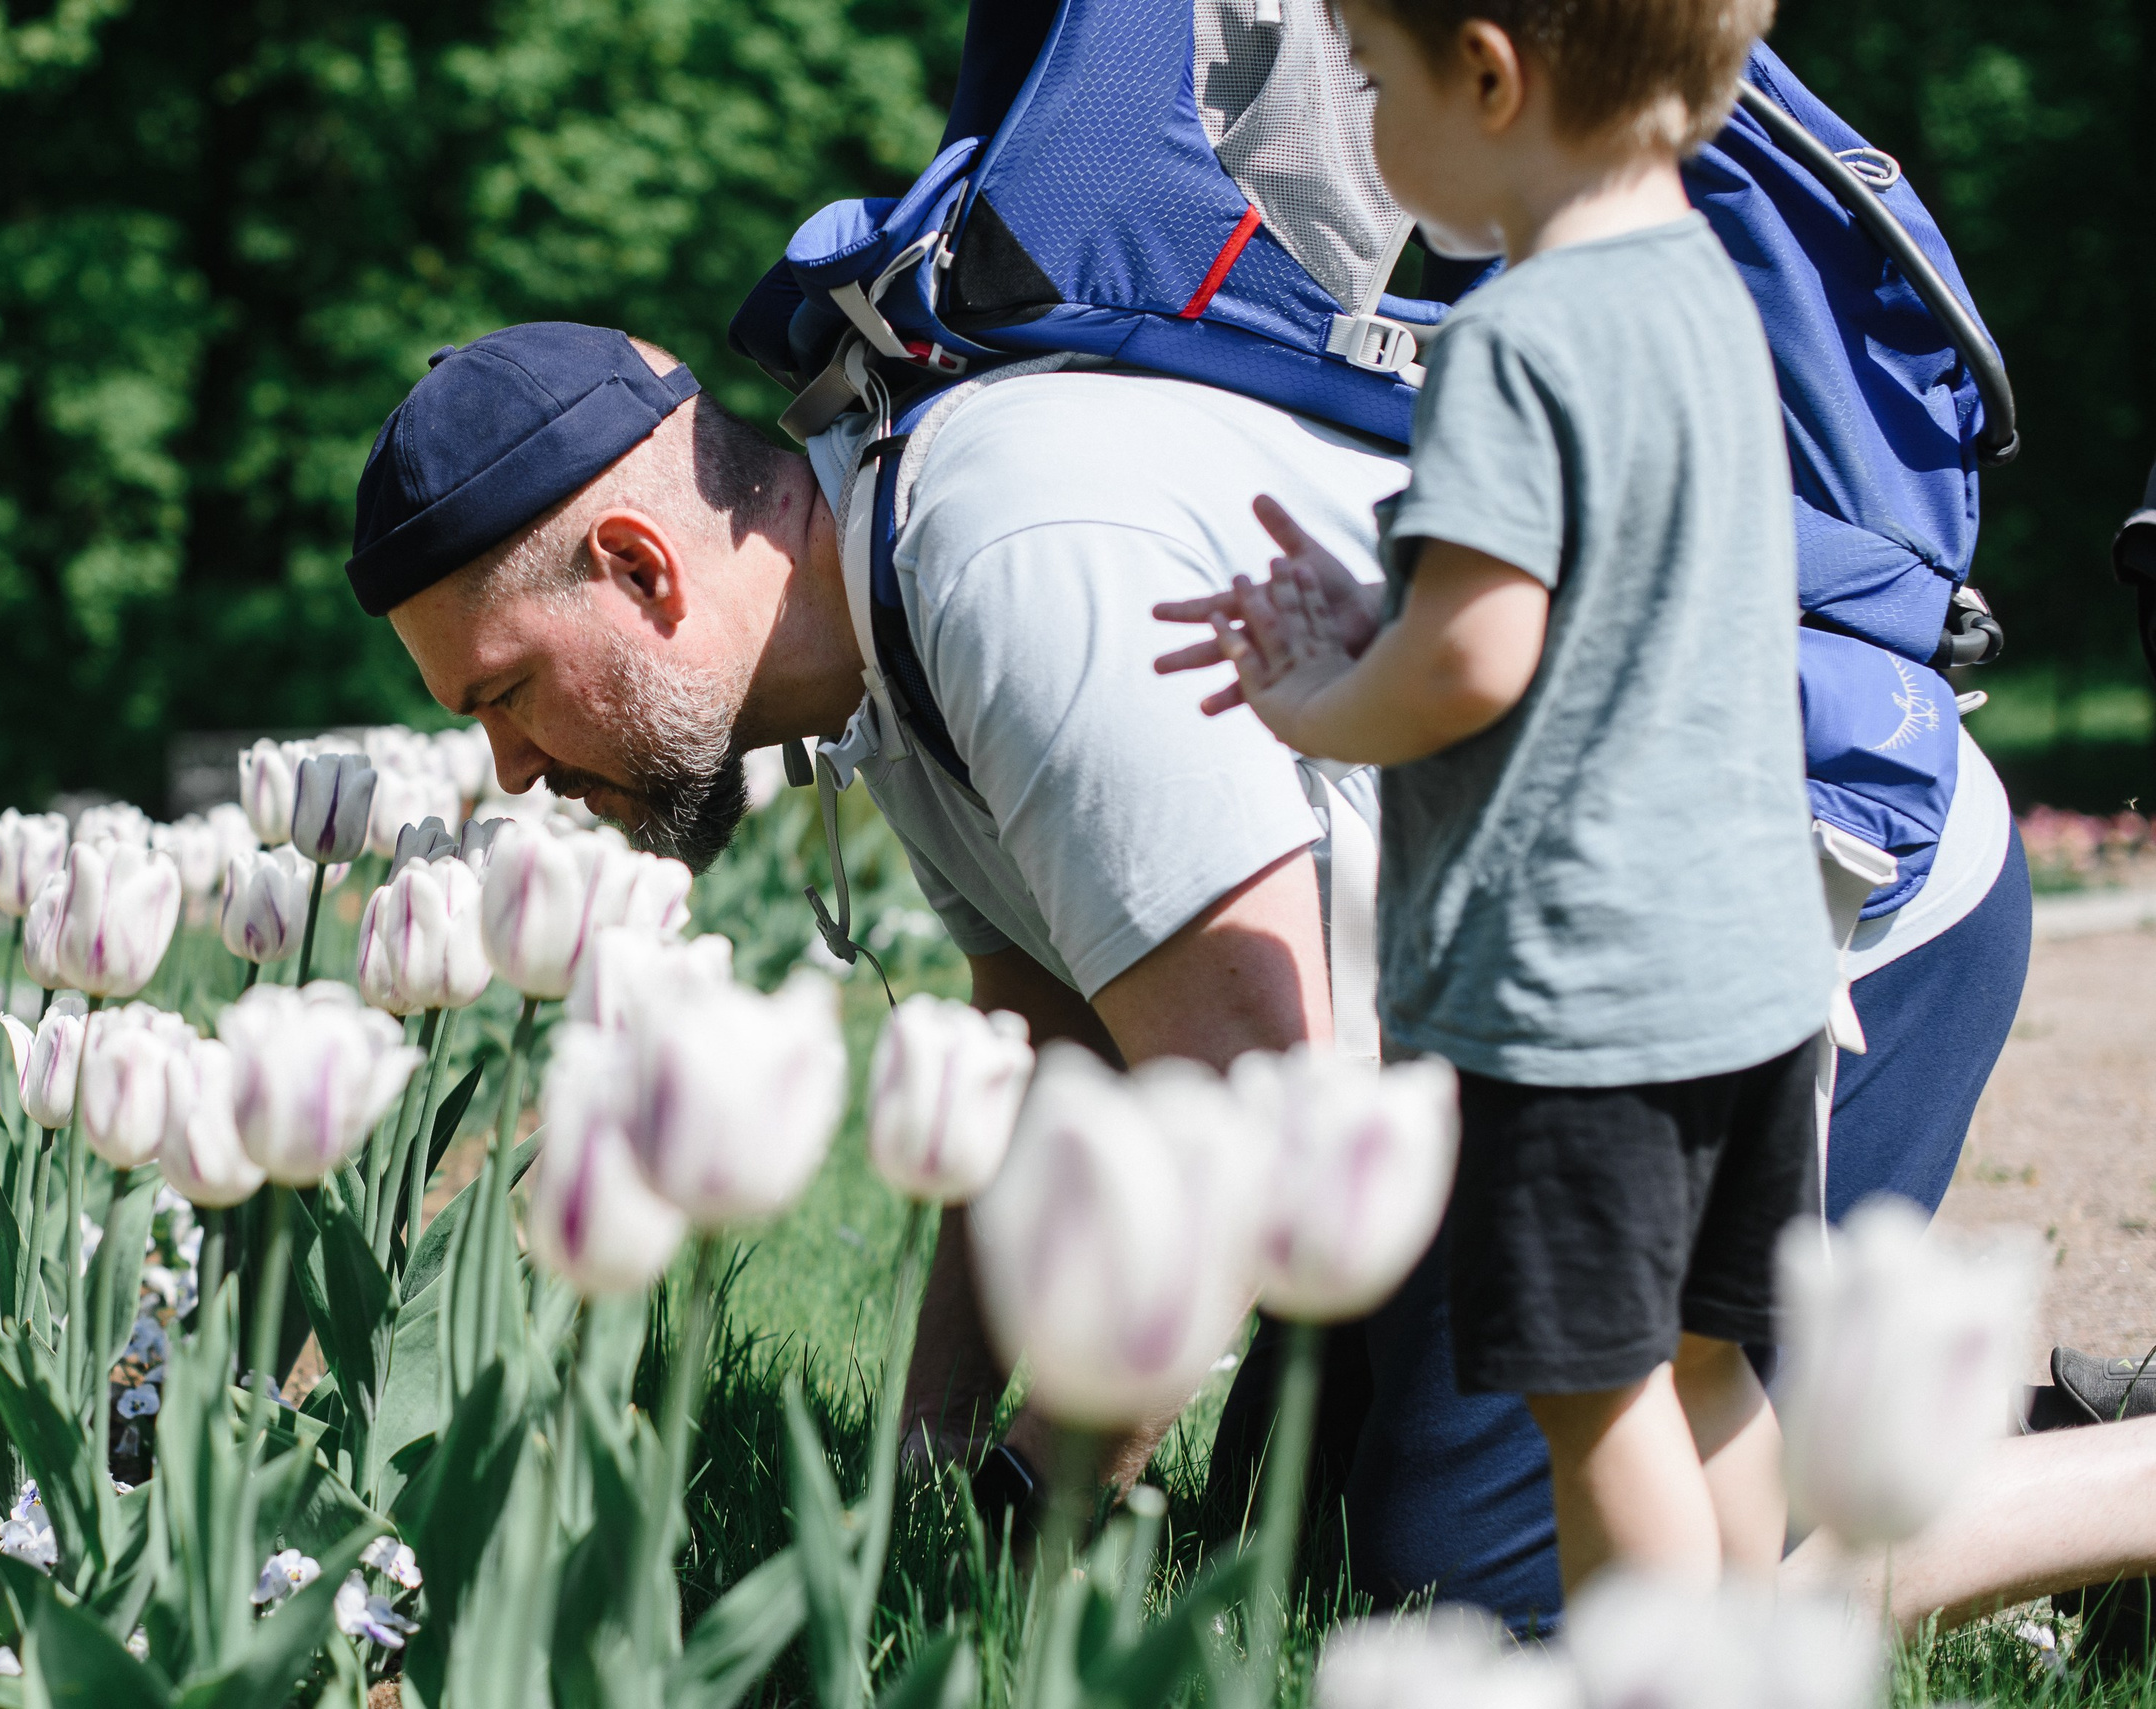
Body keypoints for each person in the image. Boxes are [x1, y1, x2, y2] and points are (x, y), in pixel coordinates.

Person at [343, 320, 2139, 1631]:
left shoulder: (1006, 573)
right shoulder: (887, 628)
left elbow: (1245, 1087)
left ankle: (2087, 1470)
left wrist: (1044, 1507)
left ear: (645, 564)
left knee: (1512, 1618)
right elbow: (1051, 1066)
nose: (507, 767)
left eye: (504, 691)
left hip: (1789, 912)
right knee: (1280, 1537)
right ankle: (1902, 1386)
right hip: (1481, 1023)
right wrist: (924, 1479)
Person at [1156, 0, 1818, 1593]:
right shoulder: (1713, 296)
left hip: (1586, 1003)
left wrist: (1321, 696)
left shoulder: (1514, 340)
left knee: (1597, 1402)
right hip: (1757, 970)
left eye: (1370, 80)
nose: (1366, 126)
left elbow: (1476, 662)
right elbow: (1609, 604)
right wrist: (1390, 609)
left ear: (1488, 73)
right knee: (1713, 1366)